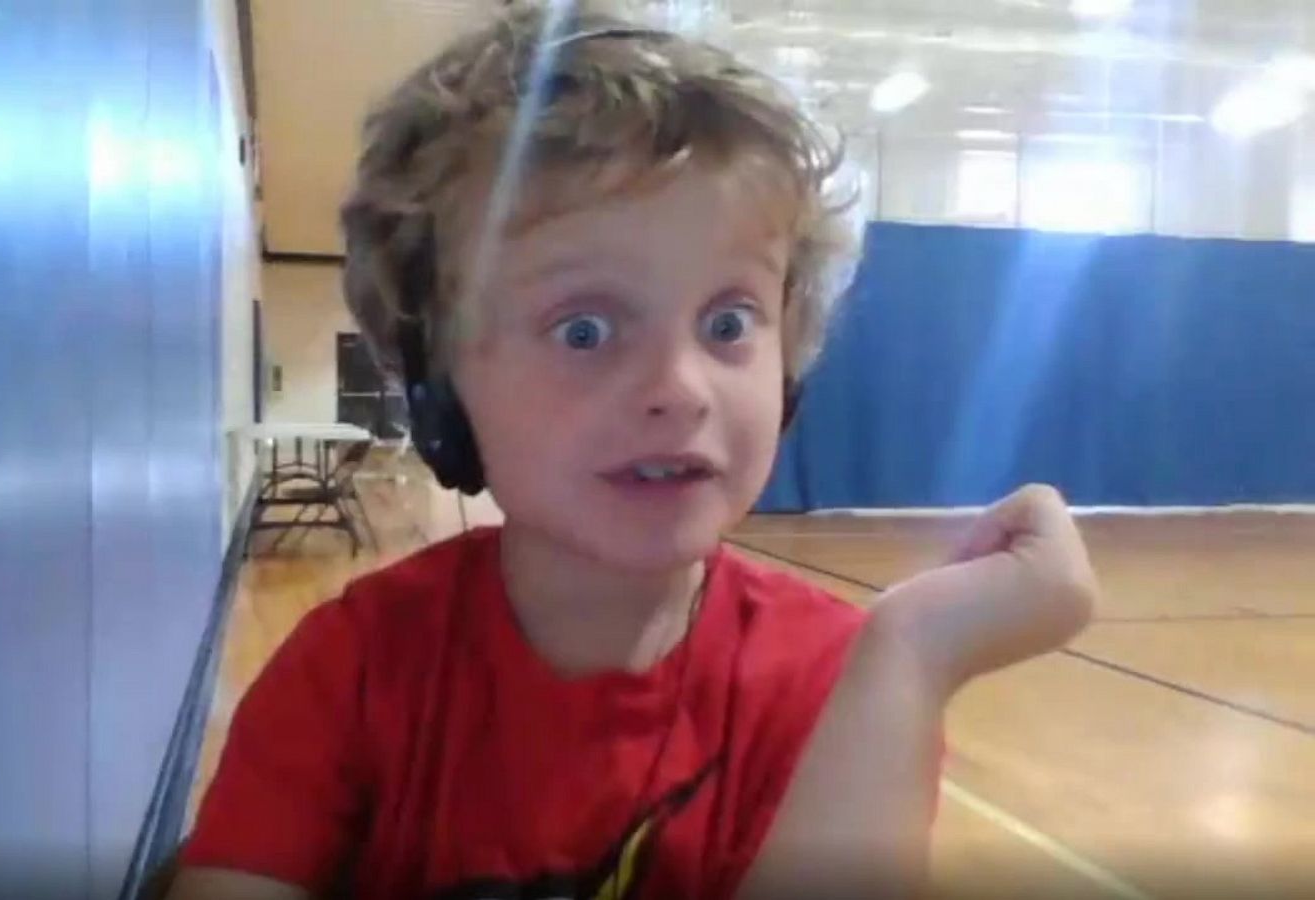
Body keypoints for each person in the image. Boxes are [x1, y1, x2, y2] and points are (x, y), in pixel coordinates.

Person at [169, 3, 1097, 898]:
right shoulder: (353, 670)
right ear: (439, 387)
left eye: (729, 321)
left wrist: (910, 660)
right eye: (584, 330)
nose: (680, 387)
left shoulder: (848, 688)